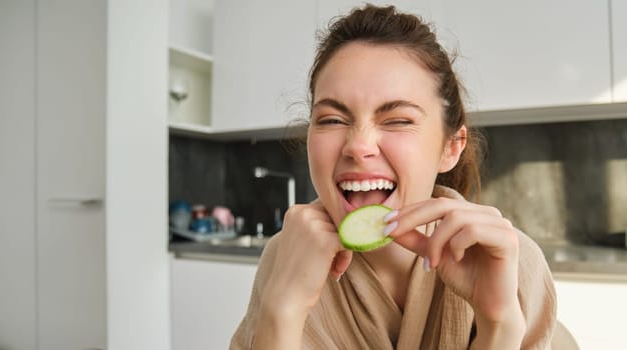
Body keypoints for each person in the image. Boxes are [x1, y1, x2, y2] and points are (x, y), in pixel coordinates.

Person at [231, 4, 576, 349]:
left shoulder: (509, 262)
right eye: (332, 120)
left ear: (451, 148)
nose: (359, 146)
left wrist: (499, 326)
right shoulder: (286, 258)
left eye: (398, 120)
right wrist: (282, 311)